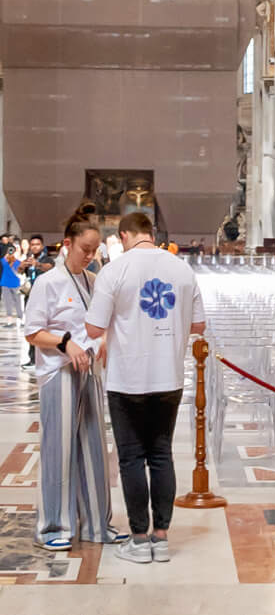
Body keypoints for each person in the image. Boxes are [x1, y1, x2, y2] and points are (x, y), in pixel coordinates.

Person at [84, 208, 205, 563]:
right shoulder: (182, 269)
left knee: (132, 457)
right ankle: (162, 537)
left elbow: (92, 329)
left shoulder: (114, 270)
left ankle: (138, 539)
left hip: (128, 378)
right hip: (168, 375)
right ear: (151, 233)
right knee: (161, 453)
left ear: (123, 236)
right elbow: (199, 325)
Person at [24, 211, 126, 550]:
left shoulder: (92, 281)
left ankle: (97, 524)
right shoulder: (47, 283)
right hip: (59, 372)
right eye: (85, 248)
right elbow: (34, 332)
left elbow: (98, 325)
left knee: (94, 448)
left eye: (95, 249)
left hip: (90, 372)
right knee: (59, 449)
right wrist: (66, 344)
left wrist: (104, 342)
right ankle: (53, 525)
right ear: (67, 244)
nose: (90, 255)